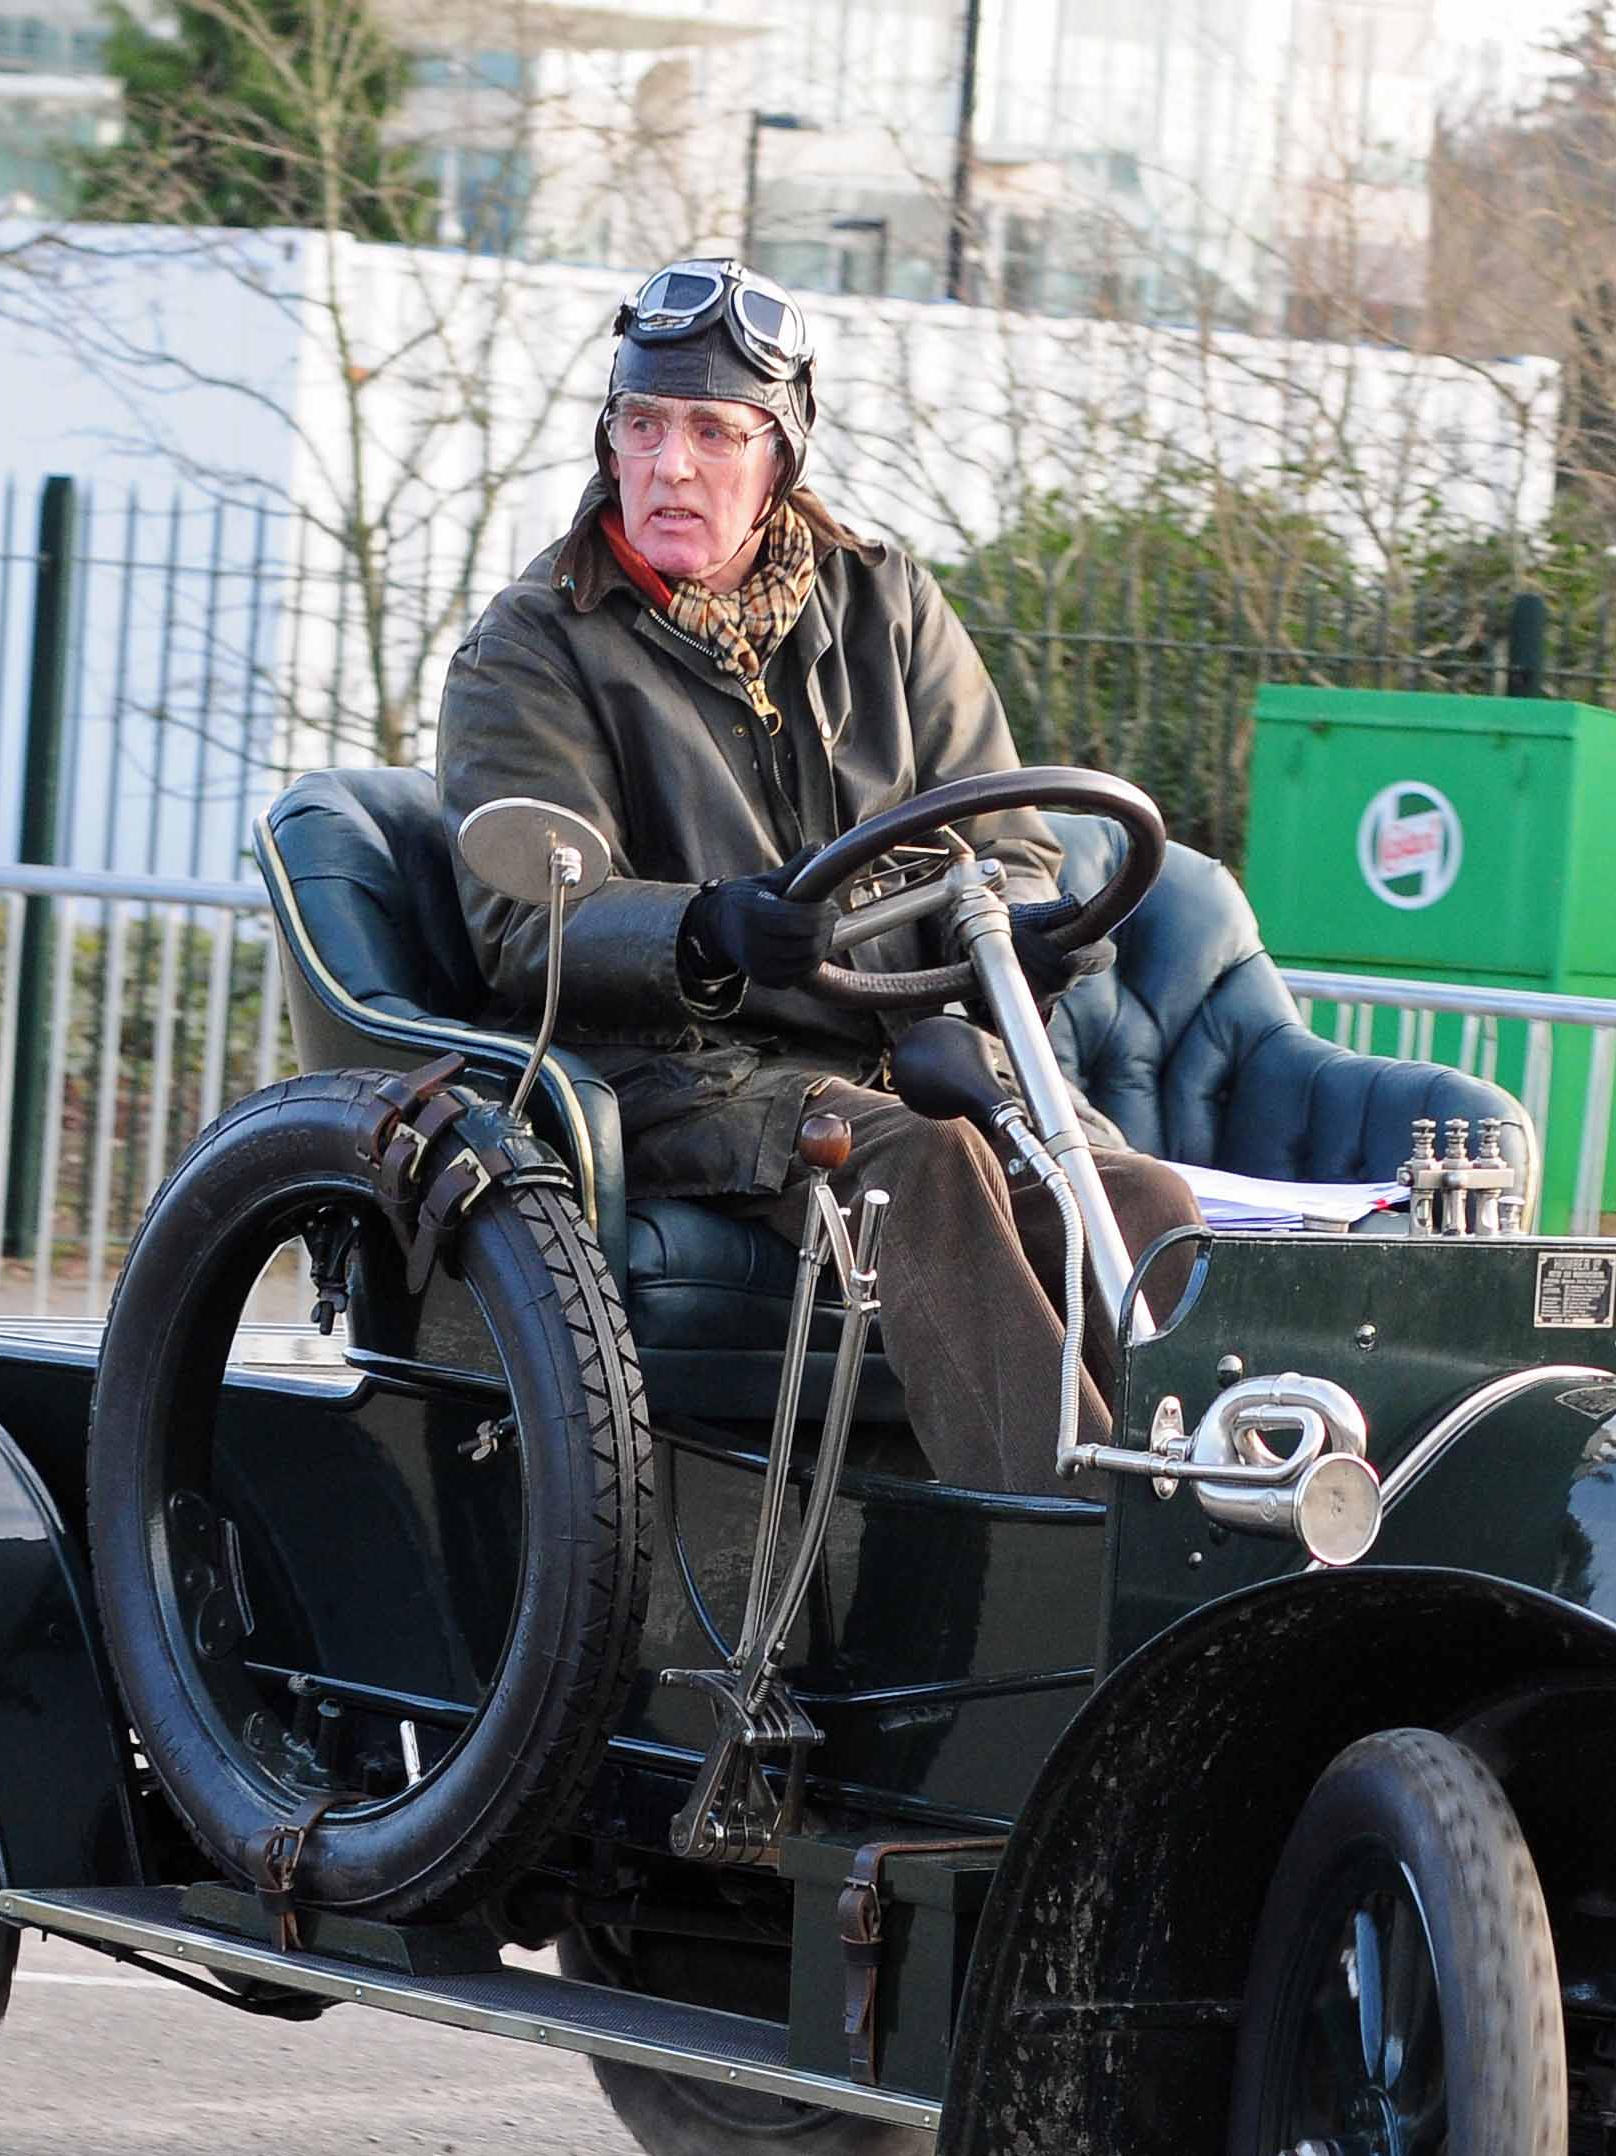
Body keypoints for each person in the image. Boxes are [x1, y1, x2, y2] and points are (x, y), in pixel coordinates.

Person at [435, 258, 1198, 1499]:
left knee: (1135, 1194)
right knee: (927, 1171)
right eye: (644, 426)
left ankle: (1220, 1524)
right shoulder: (533, 644)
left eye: (713, 432)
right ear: (611, 438)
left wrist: (1020, 940)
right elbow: (529, 922)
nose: (670, 466)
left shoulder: (884, 602)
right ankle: (1061, 1542)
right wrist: (706, 930)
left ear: (778, 453)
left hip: (904, 1054)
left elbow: (1004, 837)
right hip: (687, 1073)